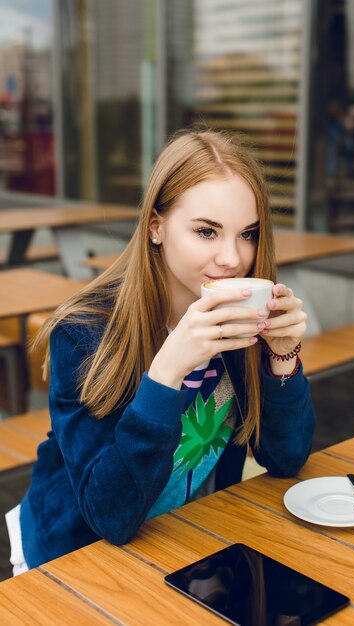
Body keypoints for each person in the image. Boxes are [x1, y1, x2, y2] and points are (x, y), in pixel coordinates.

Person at [6, 129, 316, 574]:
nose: (232, 258)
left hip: (188, 540)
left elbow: (286, 458)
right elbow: (109, 517)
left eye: (247, 234)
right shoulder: (84, 333)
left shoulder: (243, 322)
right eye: (206, 231)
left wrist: (282, 358)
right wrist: (167, 372)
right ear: (156, 226)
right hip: (75, 556)